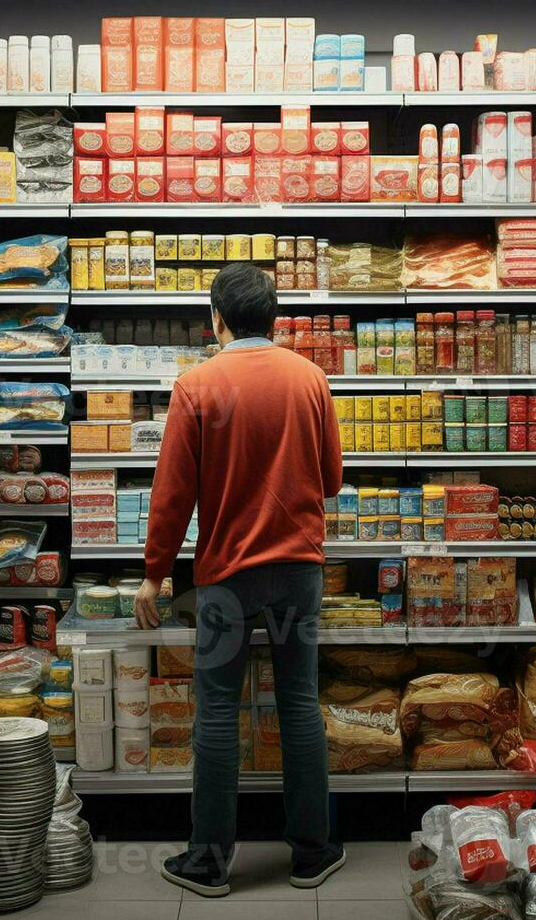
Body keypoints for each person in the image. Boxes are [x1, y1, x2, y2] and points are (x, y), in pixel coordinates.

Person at [134, 261, 346, 898]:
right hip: (300, 571)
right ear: (275, 317)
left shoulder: (197, 386)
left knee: (218, 710)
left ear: (216, 317)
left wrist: (153, 577)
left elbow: (172, 496)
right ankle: (313, 852)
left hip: (226, 576)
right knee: (300, 704)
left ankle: (209, 861)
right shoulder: (311, 379)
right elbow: (331, 481)